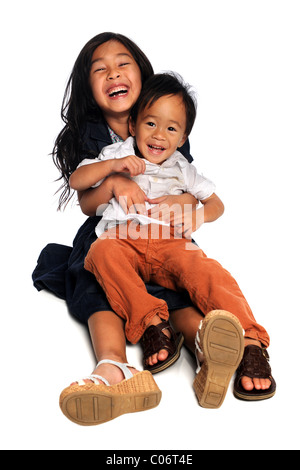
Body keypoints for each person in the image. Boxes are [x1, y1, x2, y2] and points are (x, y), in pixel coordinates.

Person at [33, 33, 275, 425]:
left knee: (193, 281)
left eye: (123, 63)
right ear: (88, 87)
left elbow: (205, 198)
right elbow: (85, 199)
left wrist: (191, 206)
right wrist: (112, 181)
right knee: (97, 276)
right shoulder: (103, 144)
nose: (113, 72)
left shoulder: (173, 146)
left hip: (165, 237)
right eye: (100, 69)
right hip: (112, 233)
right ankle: (117, 364)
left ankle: (228, 348)